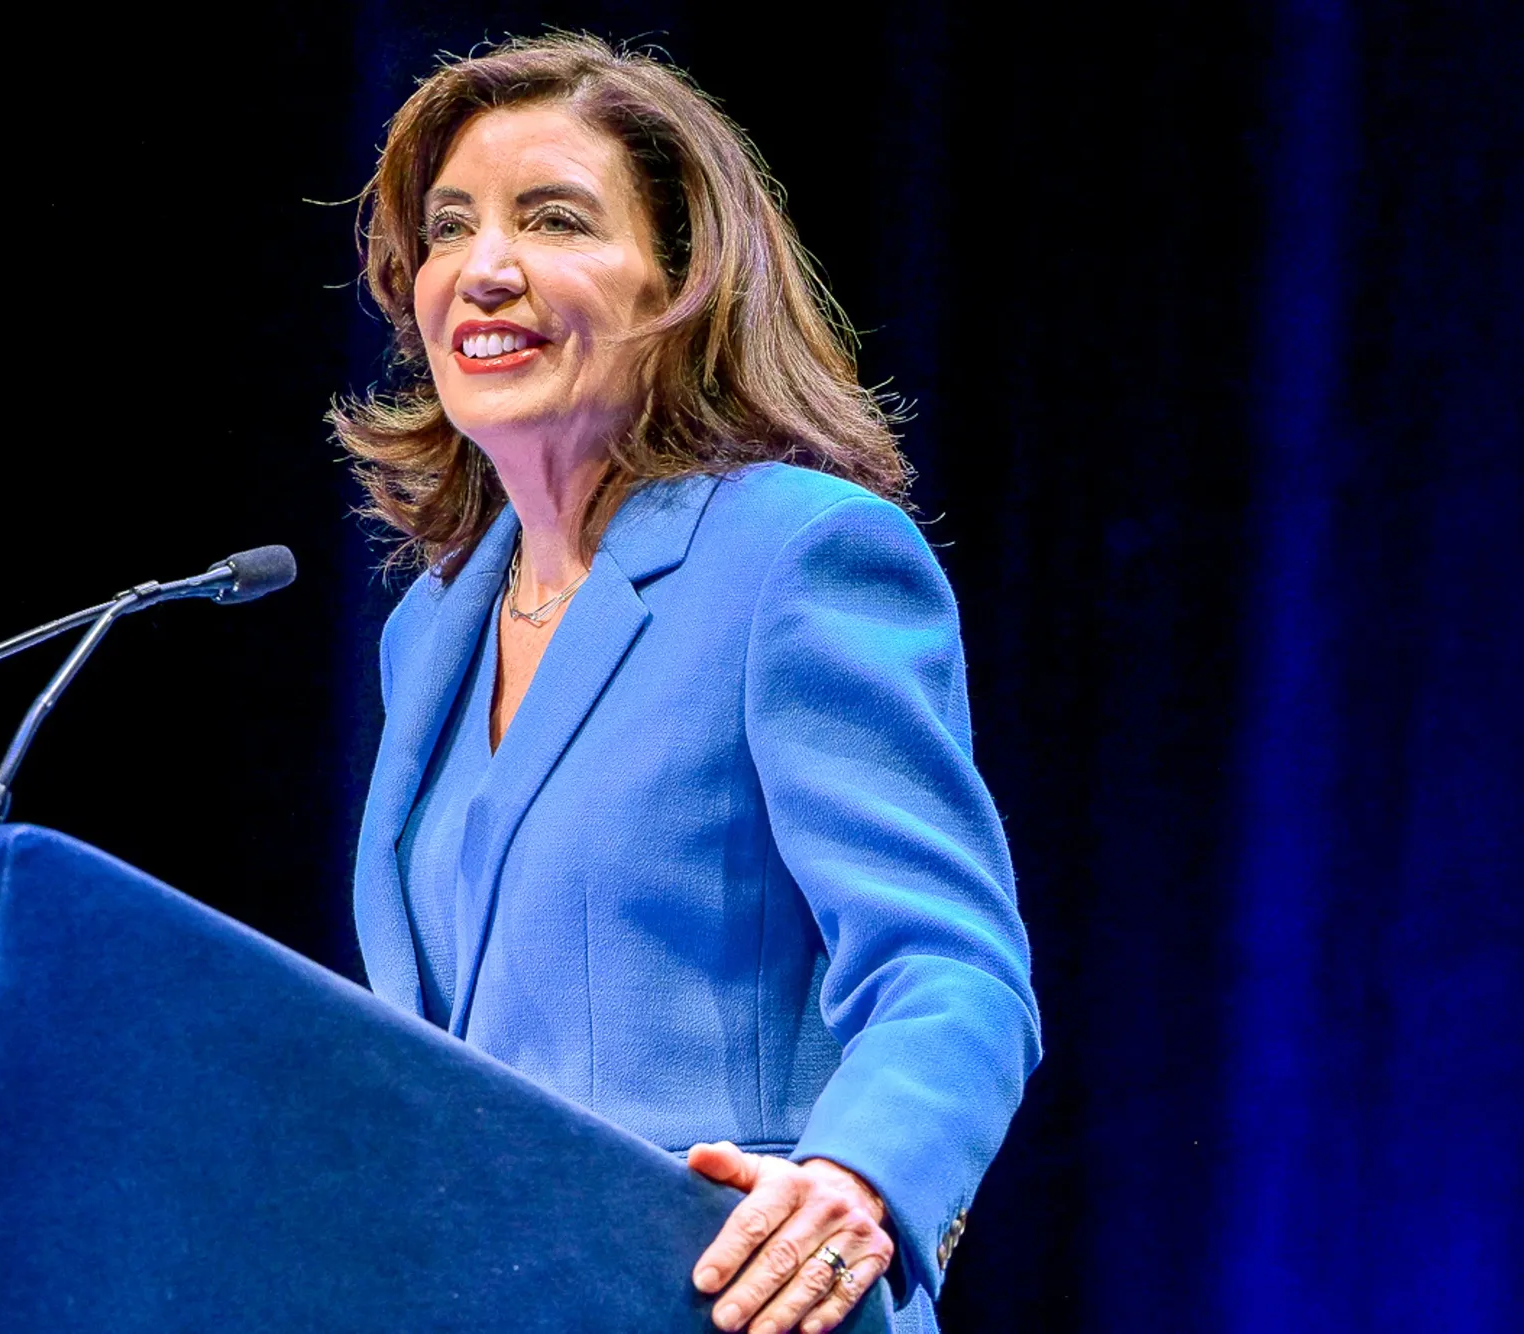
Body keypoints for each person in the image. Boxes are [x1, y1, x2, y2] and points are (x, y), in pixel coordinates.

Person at [337, 34, 1040, 1334]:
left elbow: (956, 970)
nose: (481, 270)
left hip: (723, 1301)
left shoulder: (795, 556)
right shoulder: (430, 631)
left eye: (552, 220)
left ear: (681, 282)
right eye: (449, 229)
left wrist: (859, 1175)